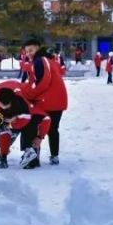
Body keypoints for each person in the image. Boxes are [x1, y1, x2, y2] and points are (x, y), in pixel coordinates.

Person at [0, 82, 51, 169]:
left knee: (29, 130)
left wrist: (40, 137)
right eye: (3, 105)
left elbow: (45, 119)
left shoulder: (24, 106)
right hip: (5, 108)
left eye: (7, 106)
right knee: (0, 130)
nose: (4, 107)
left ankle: (32, 157)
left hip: (24, 114)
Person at [20, 36, 68, 165]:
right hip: (58, 100)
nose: (28, 54)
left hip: (47, 100)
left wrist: (27, 93)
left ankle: (33, 158)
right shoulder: (48, 59)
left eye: (31, 50)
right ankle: (54, 156)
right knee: (53, 129)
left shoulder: (40, 61)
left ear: (38, 48)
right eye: (26, 51)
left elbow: (42, 82)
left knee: (35, 127)